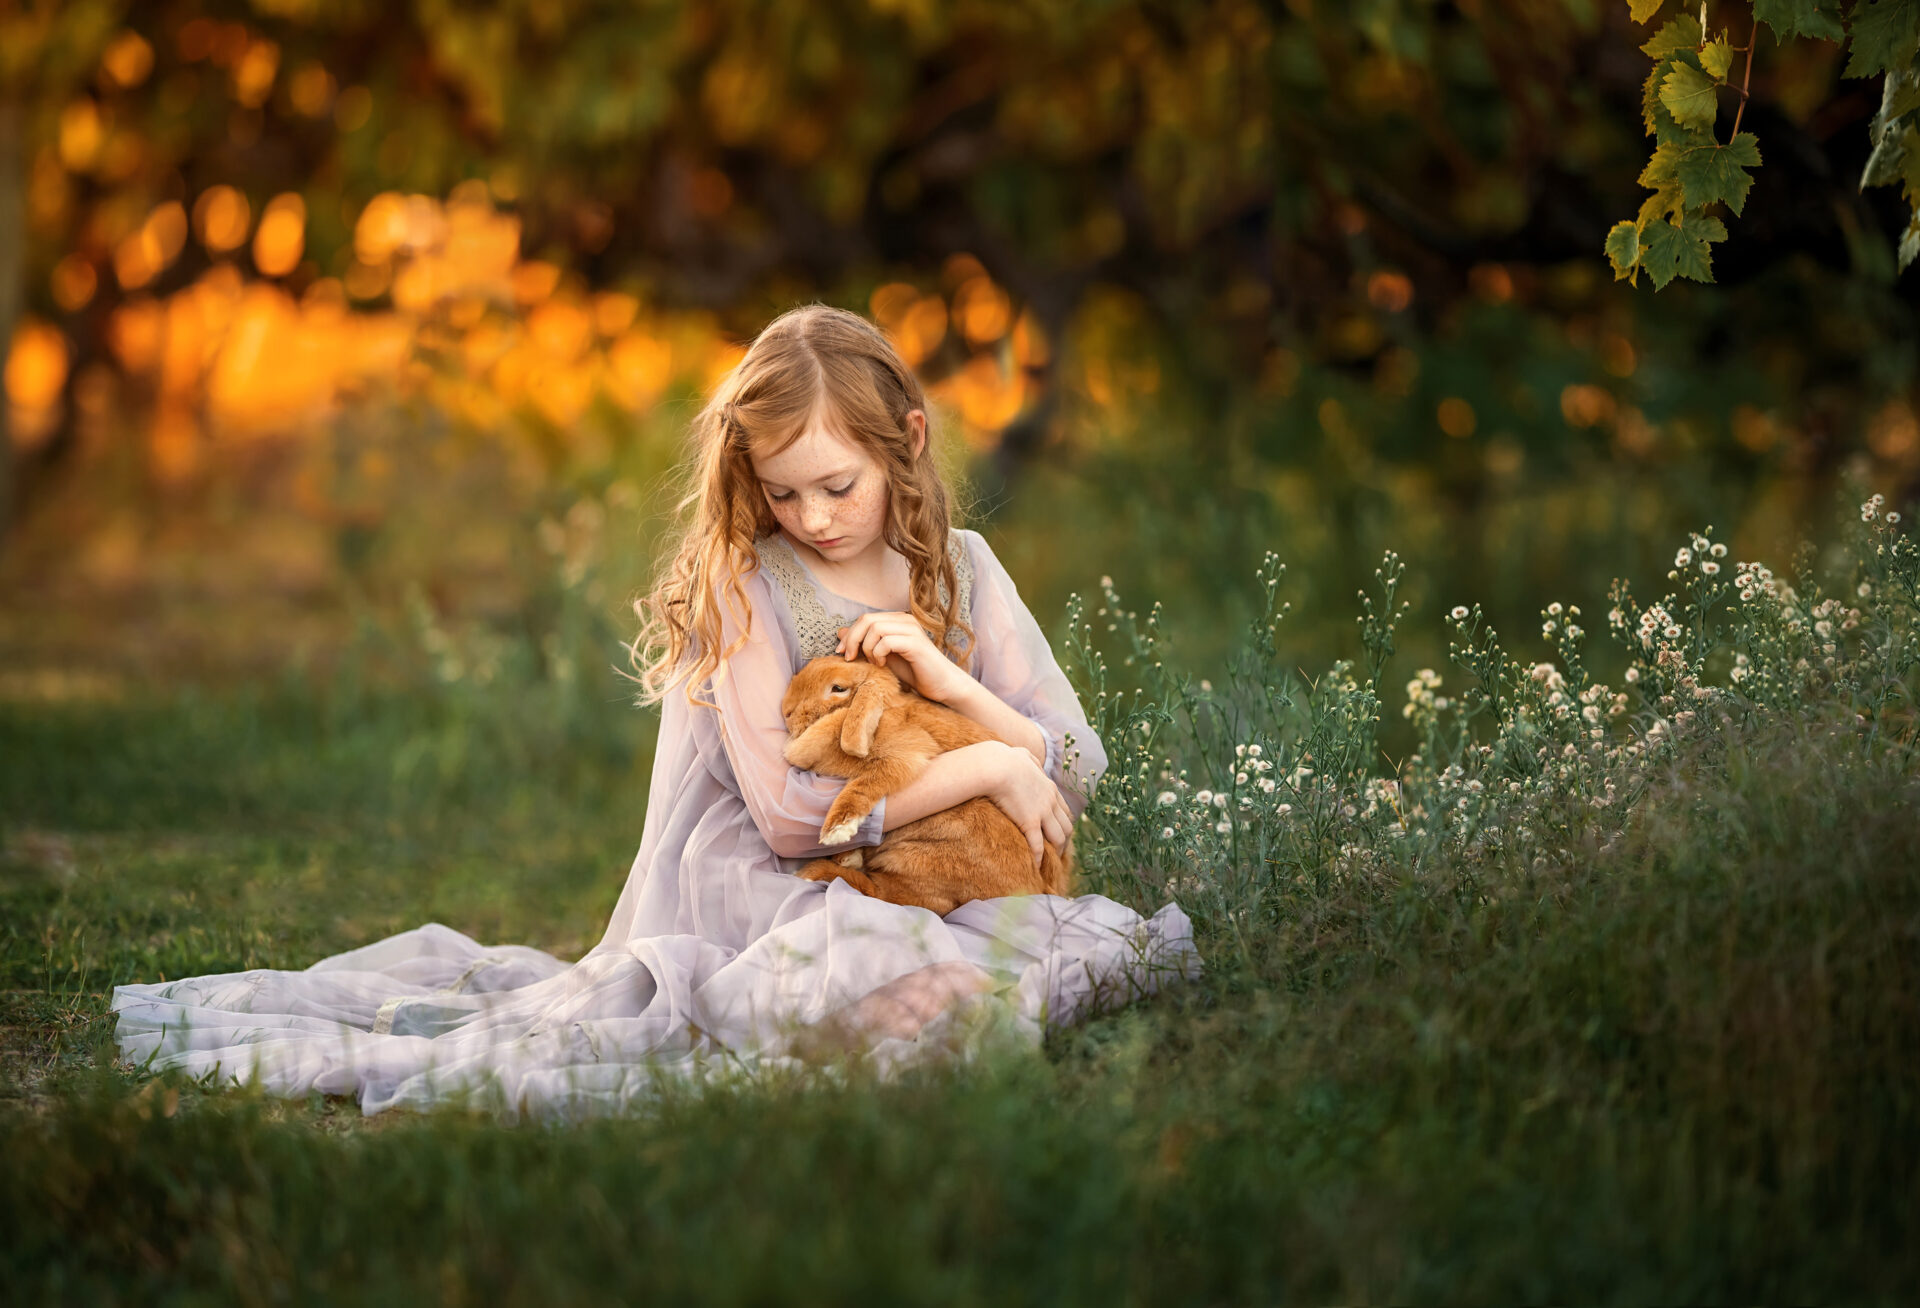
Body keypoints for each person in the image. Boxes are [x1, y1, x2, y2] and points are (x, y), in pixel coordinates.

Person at [112, 304, 1197, 1117]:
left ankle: (875, 1032)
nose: (811, 517)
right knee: (887, 979)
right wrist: (996, 772)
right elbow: (785, 817)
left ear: (905, 442)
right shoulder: (745, 581)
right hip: (764, 886)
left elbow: (1082, 766)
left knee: (1041, 961)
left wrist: (959, 690)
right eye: (782, 491)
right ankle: (832, 1049)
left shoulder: (963, 571)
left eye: (838, 486)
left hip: (919, 883)